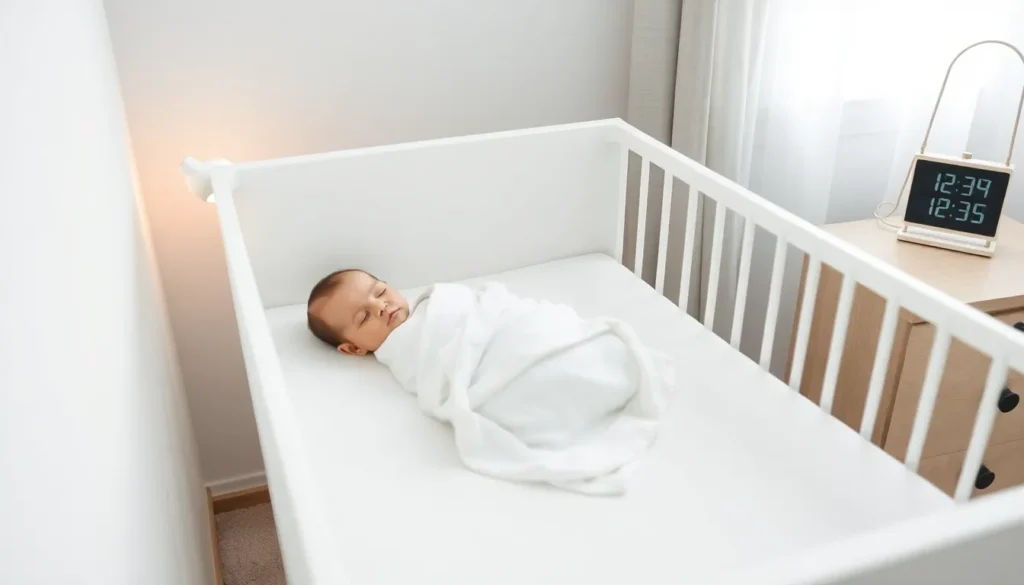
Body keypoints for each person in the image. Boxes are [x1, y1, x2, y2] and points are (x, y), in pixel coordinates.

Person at [306, 269, 410, 356]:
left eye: (380, 292)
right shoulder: (402, 354)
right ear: (353, 348)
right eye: (364, 317)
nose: (380, 306)